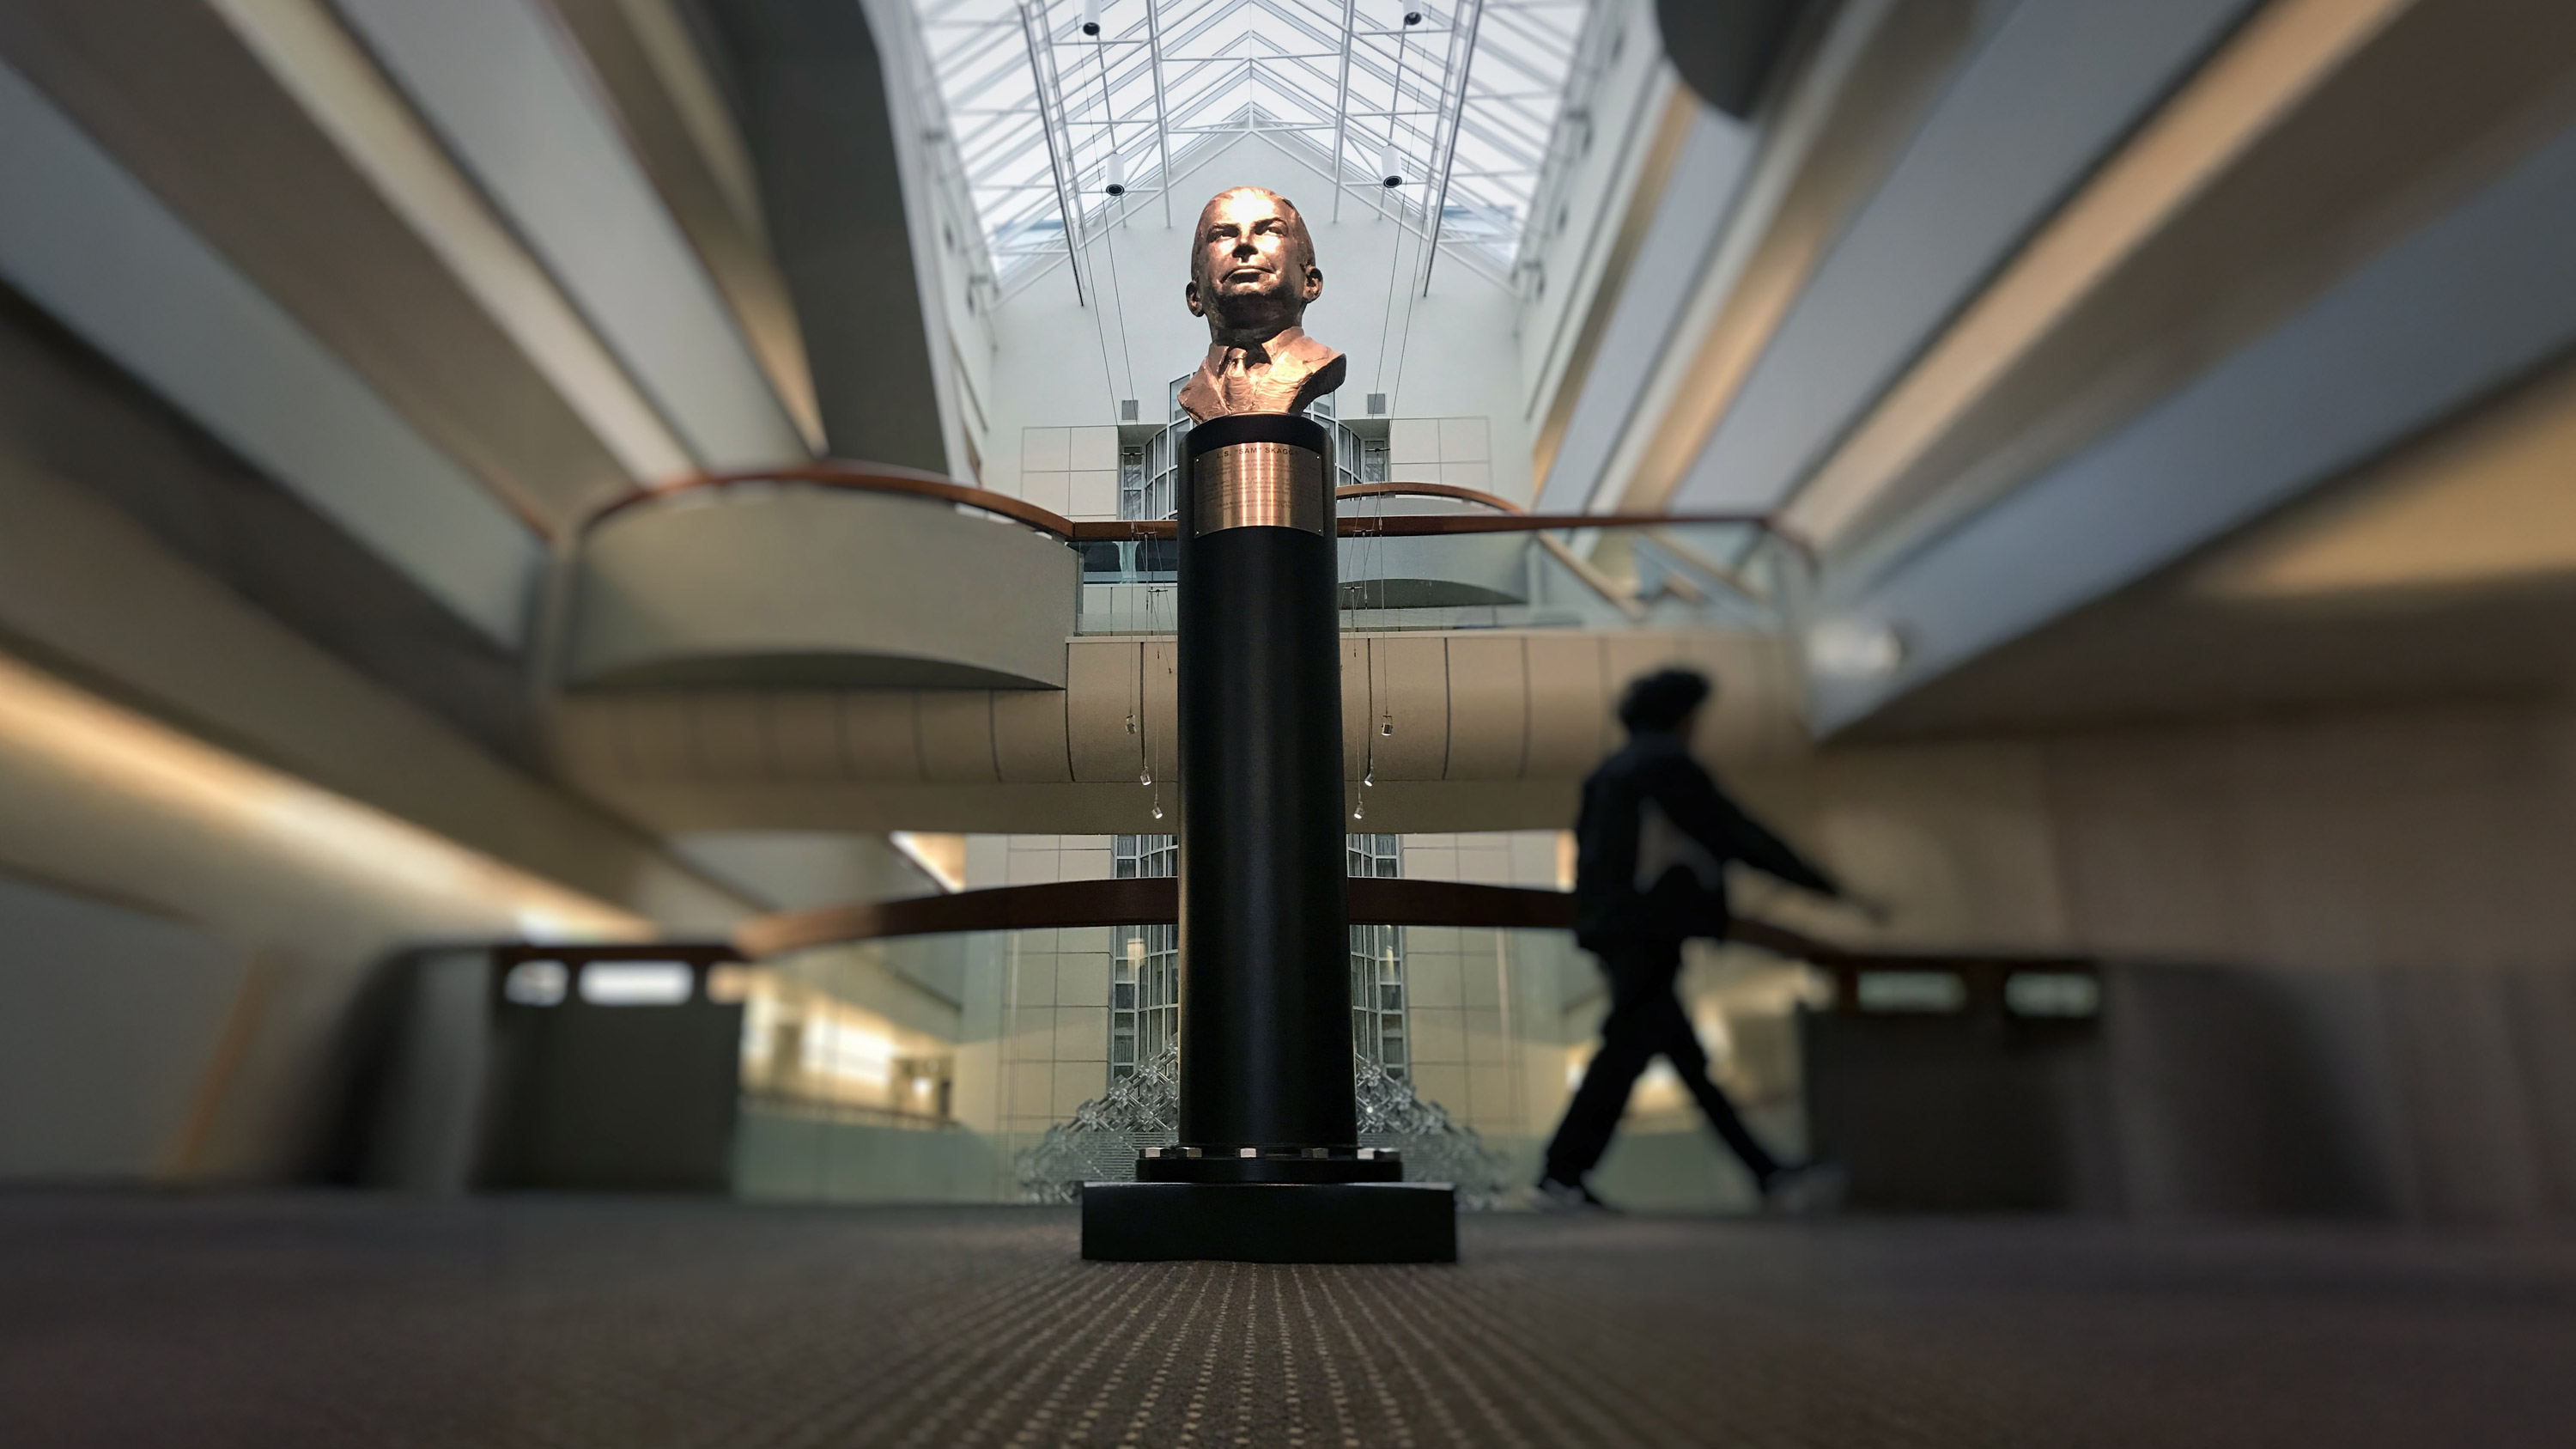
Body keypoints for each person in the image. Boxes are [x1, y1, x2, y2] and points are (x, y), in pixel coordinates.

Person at [1536, 667, 1859, 1212]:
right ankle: (1560, 1175)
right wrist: (1820, 885)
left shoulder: (1610, 772)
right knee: (1630, 1051)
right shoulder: (1665, 765)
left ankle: (1765, 1173)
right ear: (1682, 716)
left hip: (1618, 929)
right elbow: (1733, 832)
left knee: (1673, 1056)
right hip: (1649, 928)